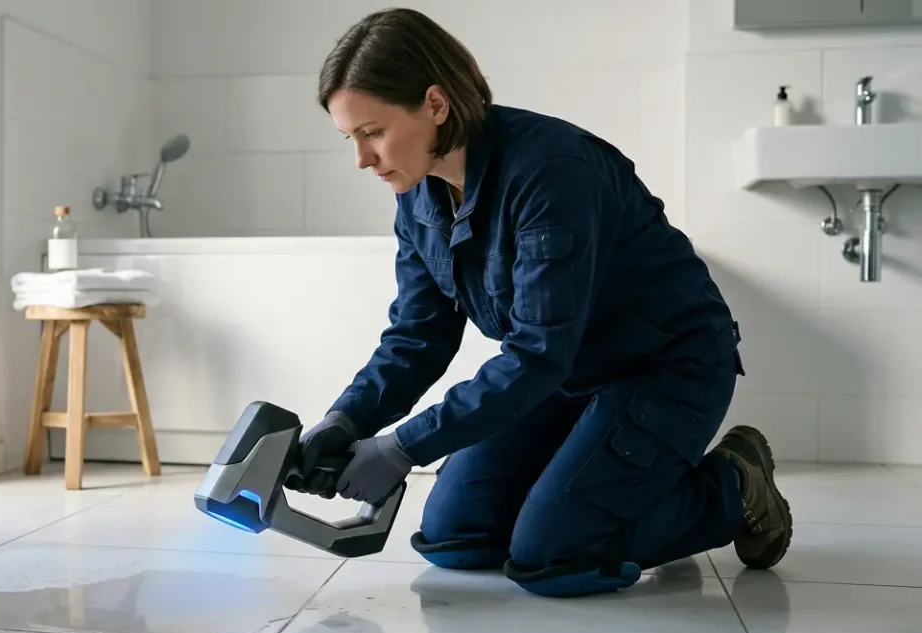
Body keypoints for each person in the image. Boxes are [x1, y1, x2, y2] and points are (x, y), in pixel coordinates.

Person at [285, 8, 793, 598]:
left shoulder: (552, 171)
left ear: (435, 104)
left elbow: (537, 352)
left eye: (373, 132)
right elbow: (417, 335)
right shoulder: (417, 193)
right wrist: (347, 418)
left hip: (663, 367)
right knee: (456, 537)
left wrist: (404, 446)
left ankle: (735, 482)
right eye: (351, 138)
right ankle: (590, 486)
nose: (362, 159)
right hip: (562, 377)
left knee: (555, 557)